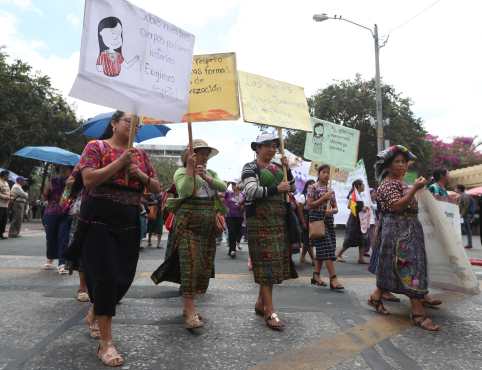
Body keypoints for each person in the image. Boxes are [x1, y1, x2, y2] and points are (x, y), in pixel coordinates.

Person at [77, 111, 160, 366]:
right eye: (128, 121)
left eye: (138, 124)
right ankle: (106, 344)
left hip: (129, 219)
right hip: (99, 217)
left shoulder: (141, 155)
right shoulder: (96, 147)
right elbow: (88, 179)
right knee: (106, 276)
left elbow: (156, 187)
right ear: (114, 124)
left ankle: (96, 309)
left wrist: (139, 174)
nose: (133, 126)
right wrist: (118, 163)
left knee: (123, 277)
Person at [152, 139, 226, 330]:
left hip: (207, 226)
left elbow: (223, 187)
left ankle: (189, 308)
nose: (204, 157)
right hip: (187, 226)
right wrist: (193, 173)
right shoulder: (181, 172)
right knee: (190, 265)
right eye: (200, 152)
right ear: (190, 155)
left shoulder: (211, 173)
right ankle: (189, 309)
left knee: (202, 265)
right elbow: (185, 190)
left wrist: (207, 178)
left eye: (206, 153)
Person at [368, 145, 440, 331]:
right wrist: (415, 188)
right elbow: (397, 206)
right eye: (397, 162)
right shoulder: (388, 184)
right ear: (388, 166)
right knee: (410, 267)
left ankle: (376, 297)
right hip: (397, 232)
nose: (402, 165)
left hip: (408, 229)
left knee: (397, 267)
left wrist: (415, 188)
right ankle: (417, 312)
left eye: (404, 161)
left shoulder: (402, 183)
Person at [241, 131, 298, 331]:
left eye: (274, 145)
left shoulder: (277, 167)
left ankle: (260, 303)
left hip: (278, 220)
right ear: (257, 148)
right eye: (267, 145)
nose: (272, 149)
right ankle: (270, 311)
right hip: (260, 222)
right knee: (266, 265)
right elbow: (251, 191)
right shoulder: (250, 167)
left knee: (272, 265)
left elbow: (292, 189)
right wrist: (276, 189)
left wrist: (287, 170)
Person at [307, 165, 344, 291]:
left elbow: (336, 208)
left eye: (328, 173)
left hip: (328, 220)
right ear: (318, 173)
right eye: (324, 172)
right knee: (327, 248)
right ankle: (333, 278)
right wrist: (324, 198)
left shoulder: (330, 190)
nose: (326, 175)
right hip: (317, 219)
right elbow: (310, 205)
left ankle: (316, 276)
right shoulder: (313, 187)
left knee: (325, 248)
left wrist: (331, 211)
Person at [42, 166, 73, 273]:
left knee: (63, 237)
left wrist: (69, 186)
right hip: (50, 212)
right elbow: (45, 196)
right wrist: (47, 187)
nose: (63, 171)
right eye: (61, 169)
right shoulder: (52, 181)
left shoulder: (73, 181)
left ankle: (62, 263)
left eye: (66, 169)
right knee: (50, 237)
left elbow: (72, 196)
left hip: (65, 212)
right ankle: (50, 258)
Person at [337, 179, 370, 264]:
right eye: (362, 184)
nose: (364, 186)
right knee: (350, 239)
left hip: (360, 220)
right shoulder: (354, 195)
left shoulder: (358, 195)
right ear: (358, 186)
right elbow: (350, 206)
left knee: (362, 239)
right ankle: (338, 255)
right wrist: (361, 208)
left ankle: (361, 258)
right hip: (354, 221)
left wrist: (363, 209)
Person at [296, 180, 316, 265]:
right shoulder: (303, 196)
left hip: (312, 220)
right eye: (310, 185)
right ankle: (313, 259)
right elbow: (300, 211)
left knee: (307, 240)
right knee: (307, 241)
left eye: (313, 185)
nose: (312, 187)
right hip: (305, 220)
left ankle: (302, 258)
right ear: (307, 187)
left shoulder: (314, 196)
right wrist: (303, 222)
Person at [224, 182, 244, 258]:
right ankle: (233, 250)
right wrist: (227, 183)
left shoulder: (243, 195)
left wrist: (242, 206)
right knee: (231, 231)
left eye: (234, 184)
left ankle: (231, 249)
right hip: (229, 216)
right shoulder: (228, 193)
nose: (233, 186)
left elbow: (244, 205)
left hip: (239, 217)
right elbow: (221, 192)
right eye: (232, 184)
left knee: (236, 232)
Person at [456, 184, 474, 249]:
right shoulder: (461, 196)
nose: (455, 189)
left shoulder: (465, 196)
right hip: (464, 215)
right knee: (465, 230)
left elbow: (465, 206)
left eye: (456, 188)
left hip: (465, 216)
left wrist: (461, 215)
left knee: (466, 230)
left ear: (459, 189)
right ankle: (468, 244)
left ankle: (468, 244)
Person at [0, 170, 10, 239]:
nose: (8, 177)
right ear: (4, 175)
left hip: (6, 205)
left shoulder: (6, 183)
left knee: (4, 220)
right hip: (0, 204)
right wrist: (5, 197)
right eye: (7, 175)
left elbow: (8, 192)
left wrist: (10, 196)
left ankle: (1, 233)